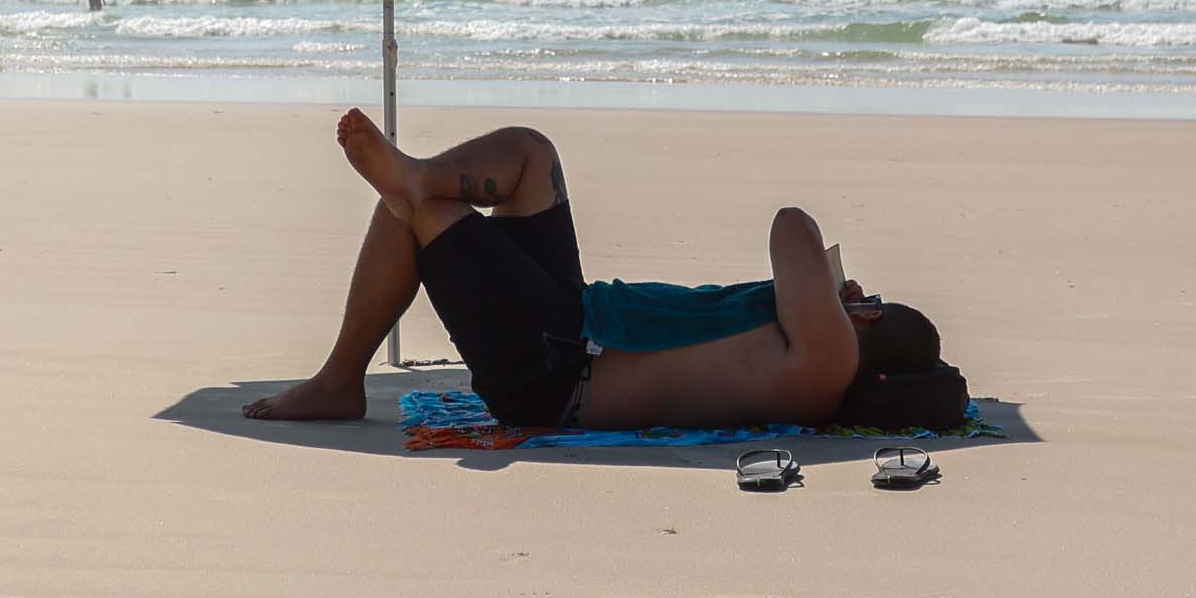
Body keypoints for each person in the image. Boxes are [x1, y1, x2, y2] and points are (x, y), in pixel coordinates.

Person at [242, 111, 946, 430]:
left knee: (418, 214)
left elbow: (792, 224)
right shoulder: (814, 355)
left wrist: (834, 293)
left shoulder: (828, 362)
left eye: (864, 302)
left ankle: (339, 382)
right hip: (579, 322)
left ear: (872, 316)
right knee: (530, 155)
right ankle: (419, 173)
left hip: (554, 374)